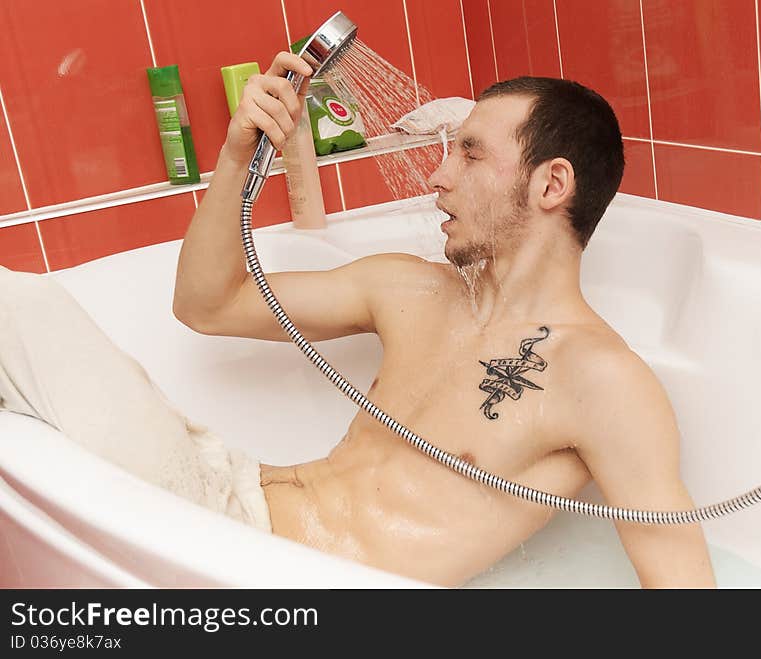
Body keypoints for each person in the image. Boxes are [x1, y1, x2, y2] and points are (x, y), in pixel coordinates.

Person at [0, 50, 715, 589]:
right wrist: (237, 152)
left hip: (281, 583)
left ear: (551, 183)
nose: (439, 176)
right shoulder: (409, 290)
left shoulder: (601, 379)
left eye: (469, 152)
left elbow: (680, 577)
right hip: (222, 500)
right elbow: (205, 303)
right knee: (22, 305)